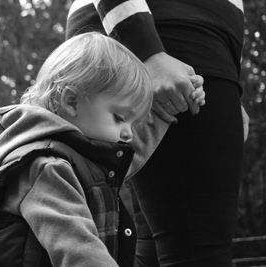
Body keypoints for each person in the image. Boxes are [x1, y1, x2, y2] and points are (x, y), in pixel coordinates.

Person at [0, 32, 205, 267]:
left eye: (133, 123)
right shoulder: (46, 167)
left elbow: (129, 156)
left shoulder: (78, 159)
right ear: (72, 102)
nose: (128, 133)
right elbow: (76, 247)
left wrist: (168, 107)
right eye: (120, 117)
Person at [66, 0, 249, 266]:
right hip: (164, 33)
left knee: (155, 246)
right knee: (197, 250)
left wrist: (232, 82)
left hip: (159, 34)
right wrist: (148, 51)